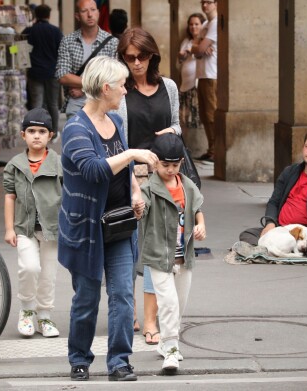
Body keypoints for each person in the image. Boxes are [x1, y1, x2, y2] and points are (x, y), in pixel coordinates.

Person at [59, 55, 158, 382]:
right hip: (87, 228)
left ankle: (119, 362)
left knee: (122, 296)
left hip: (118, 224)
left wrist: (135, 191)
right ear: (105, 88)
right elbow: (94, 170)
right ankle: (79, 358)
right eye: (121, 84)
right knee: (87, 299)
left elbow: (122, 168)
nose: (126, 91)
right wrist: (132, 154)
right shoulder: (75, 129)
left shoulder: (115, 122)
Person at [115, 27, 182, 346]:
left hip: (163, 176)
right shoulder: (119, 91)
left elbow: (179, 126)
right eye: (130, 58)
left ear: (152, 55)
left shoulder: (167, 86)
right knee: (127, 248)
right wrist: (131, 183)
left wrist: (171, 131)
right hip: (131, 175)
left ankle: (151, 319)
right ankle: (127, 311)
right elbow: (116, 142)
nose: (137, 63)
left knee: (156, 251)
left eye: (142, 56)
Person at [139, 133, 205, 374]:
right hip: (159, 255)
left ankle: (166, 342)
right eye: (164, 165)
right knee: (168, 303)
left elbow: (197, 207)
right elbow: (141, 208)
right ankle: (171, 348)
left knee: (180, 303)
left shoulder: (187, 185)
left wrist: (201, 224)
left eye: (175, 165)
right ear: (154, 162)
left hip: (183, 255)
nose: (169, 170)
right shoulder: (149, 187)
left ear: (181, 163)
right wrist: (137, 207)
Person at [236, 131, 307, 265]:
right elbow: (274, 202)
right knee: (247, 234)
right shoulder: (290, 172)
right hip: (281, 229)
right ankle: (265, 250)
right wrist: (270, 223)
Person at [3, 108, 62, 338]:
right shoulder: (15, 165)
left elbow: (68, 194)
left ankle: (45, 315)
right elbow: (10, 196)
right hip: (24, 228)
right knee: (29, 268)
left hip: (52, 230)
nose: (36, 135)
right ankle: (27, 311)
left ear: (50, 135)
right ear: (23, 135)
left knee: (48, 274)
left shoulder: (58, 164)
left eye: (42, 131)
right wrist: (9, 228)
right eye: (31, 131)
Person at [55, 0, 119, 119]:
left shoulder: (112, 43)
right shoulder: (68, 41)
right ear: (77, 16)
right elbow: (62, 75)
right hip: (76, 106)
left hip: (103, 105)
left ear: (98, 13)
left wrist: (84, 89)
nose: (90, 15)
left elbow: (113, 78)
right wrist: (94, 84)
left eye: (93, 10)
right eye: (84, 11)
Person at [21, 5, 63, 136]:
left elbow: (19, 50)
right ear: (49, 15)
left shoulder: (29, 31)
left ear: (36, 15)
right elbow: (62, 52)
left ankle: (35, 131)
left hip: (35, 72)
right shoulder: (56, 31)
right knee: (53, 104)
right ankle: (54, 131)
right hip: (53, 72)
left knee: (37, 104)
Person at [191, 0, 218, 163]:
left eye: (208, 2)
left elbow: (198, 49)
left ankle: (216, 150)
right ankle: (211, 148)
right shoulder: (206, 23)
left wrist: (199, 47)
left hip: (212, 74)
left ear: (216, 3)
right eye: (203, 2)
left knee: (211, 114)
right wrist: (198, 47)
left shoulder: (215, 23)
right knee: (204, 114)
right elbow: (195, 48)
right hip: (201, 74)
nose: (205, 5)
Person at [176, 13, 206, 136]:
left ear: (202, 25)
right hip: (184, 84)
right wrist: (181, 56)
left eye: (196, 24)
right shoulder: (186, 41)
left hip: (196, 84)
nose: (193, 27)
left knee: (196, 117)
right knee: (183, 117)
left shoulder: (204, 42)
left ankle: (200, 146)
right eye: (191, 24)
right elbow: (179, 62)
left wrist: (191, 50)